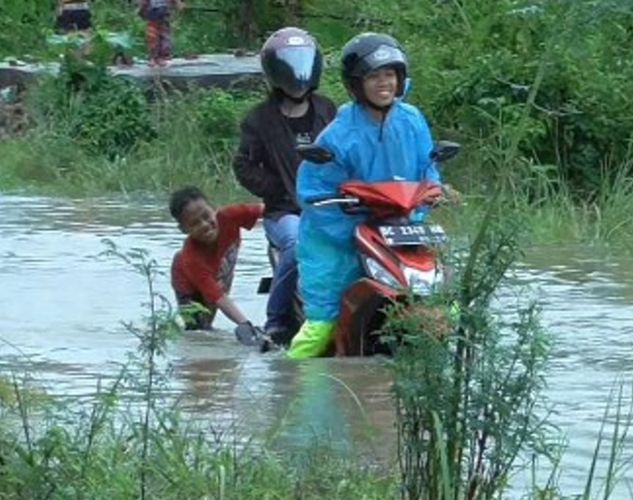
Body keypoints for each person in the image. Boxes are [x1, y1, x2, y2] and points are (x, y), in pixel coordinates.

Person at [287, 33, 442, 359]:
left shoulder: (412, 121)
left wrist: (428, 198)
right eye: (373, 76)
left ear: (401, 79)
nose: (383, 83)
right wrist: (351, 228)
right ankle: (294, 390)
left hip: (397, 232)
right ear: (357, 84)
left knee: (442, 306)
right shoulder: (339, 135)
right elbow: (313, 194)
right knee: (322, 327)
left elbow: (428, 168)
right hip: (338, 242)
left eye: (390, 74)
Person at [233, 27, 337, 347]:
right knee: (296, 243)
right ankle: (276, 321)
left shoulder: (329, 110)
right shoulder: (259, 120)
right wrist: (276, 189)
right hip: (285, 212)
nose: (298, 74)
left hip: (331, 206)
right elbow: (243, 165)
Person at [168, 186, 265, 344]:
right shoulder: (191, 258)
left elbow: (270, 211)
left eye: (206, 216)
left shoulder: (230, 215)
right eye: (194, 224)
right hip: (187, 284)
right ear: (183, 230)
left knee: (210, 324)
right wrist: (246, 325)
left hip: (220, 272)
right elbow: (217, 296)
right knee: (200, 333)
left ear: (214, 209)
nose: (205, 225)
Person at [137, 0, 185, 66]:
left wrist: (178, 3)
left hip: (164, 13)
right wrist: (141, 8)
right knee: (152, 36)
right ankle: (153, 57)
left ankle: (161, 57)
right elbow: (143, 3)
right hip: (152, 13)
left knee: (164, 36)